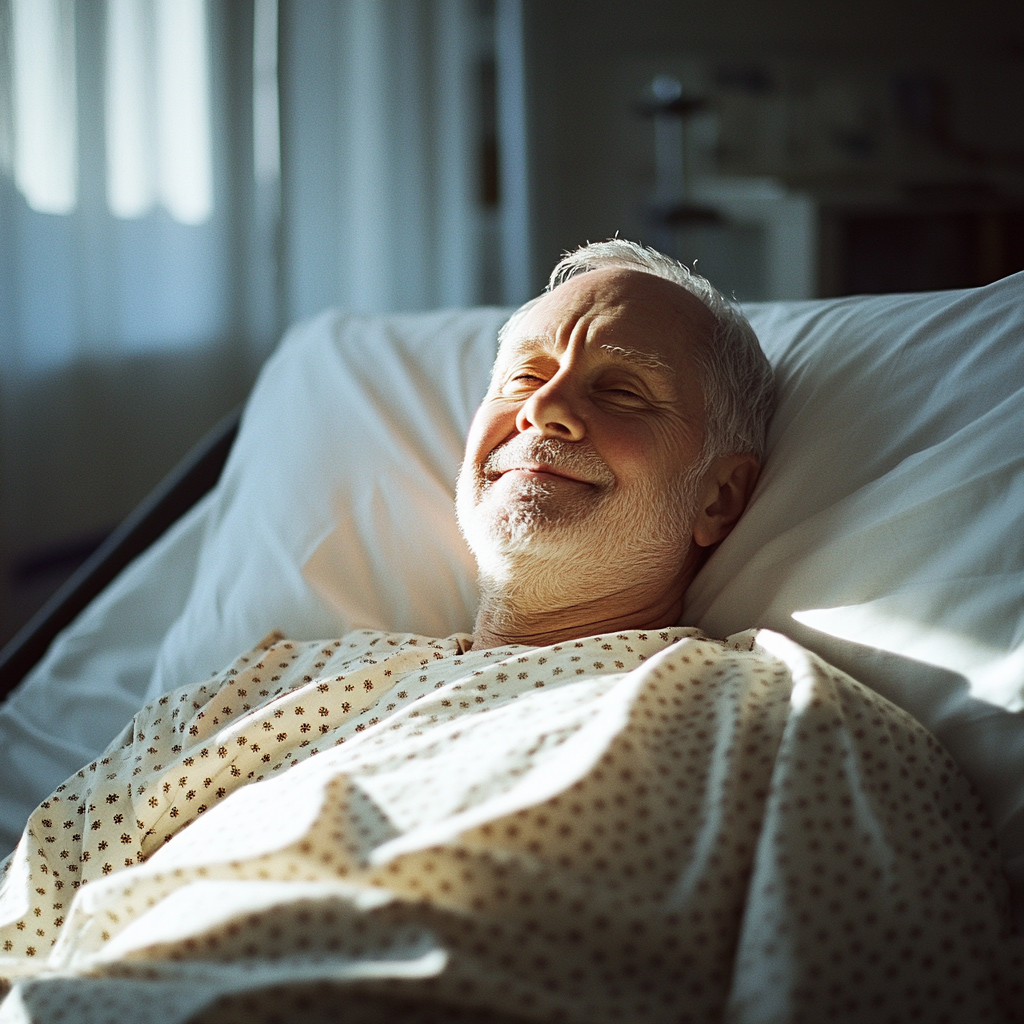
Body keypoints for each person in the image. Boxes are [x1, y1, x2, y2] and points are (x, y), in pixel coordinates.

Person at [0, 241, 1018, 1023]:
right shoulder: (267, 685)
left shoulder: (779, 722)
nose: (548, 413)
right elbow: (34, 902)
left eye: (618, 390)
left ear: (719, 500)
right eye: (522, 379)